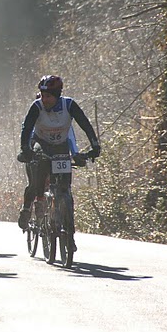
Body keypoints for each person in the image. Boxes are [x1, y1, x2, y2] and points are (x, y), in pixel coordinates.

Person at [16, 75, 101, 250]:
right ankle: (38, 201)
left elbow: (84, 123)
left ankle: (69, 234)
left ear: (57, 95)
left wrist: (95, 145)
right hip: (41, 144)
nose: (44, 99)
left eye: (48, 96)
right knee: (38, 176)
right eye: (42, 95)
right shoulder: (37, 106)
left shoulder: (69, 105)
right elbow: (27, 128)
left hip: (61, 146)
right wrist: (25, 149)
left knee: (65, 190)